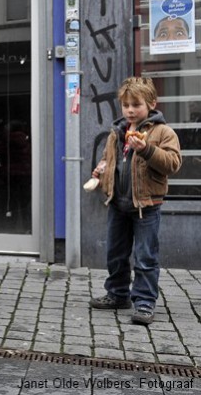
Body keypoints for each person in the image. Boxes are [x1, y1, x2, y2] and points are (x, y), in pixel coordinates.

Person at [89, 77, 181, 325]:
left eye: (136, 105)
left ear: (151, 103)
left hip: (146, 206)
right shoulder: (117, 131)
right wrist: (102, 171)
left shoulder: (163, 132)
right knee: (115, 254)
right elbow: (113, 160)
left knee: (145, 257)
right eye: (126, 105)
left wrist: (146, 150)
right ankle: (118, 295)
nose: (130, 110)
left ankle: (144, 303)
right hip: (118, 203)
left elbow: (173, 163)